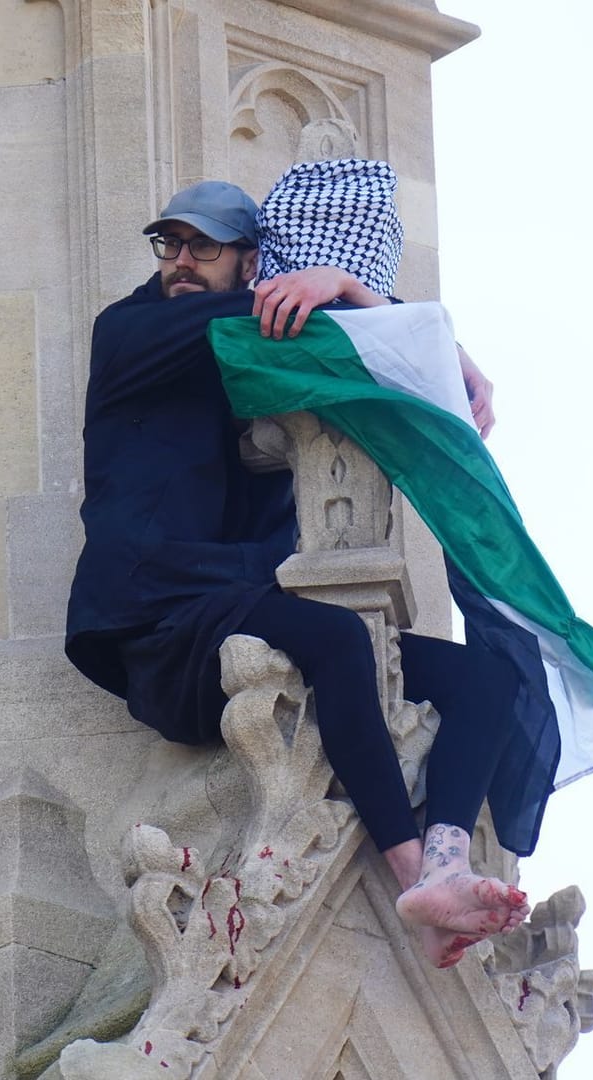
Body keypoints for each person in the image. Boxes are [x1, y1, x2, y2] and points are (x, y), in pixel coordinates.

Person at [65, 177, 550, 968]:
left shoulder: (243, 341)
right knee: (337, 638)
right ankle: (407, 873)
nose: (181, 261)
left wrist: (372, 305)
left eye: (204, 247)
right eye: (170, 244)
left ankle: (444, 862)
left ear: (250, 259)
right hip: (157, 618)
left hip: (235, 596)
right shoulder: (133, 329)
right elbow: (317, 328)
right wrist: (357, 292)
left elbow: (332, 343)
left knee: (487, 682)